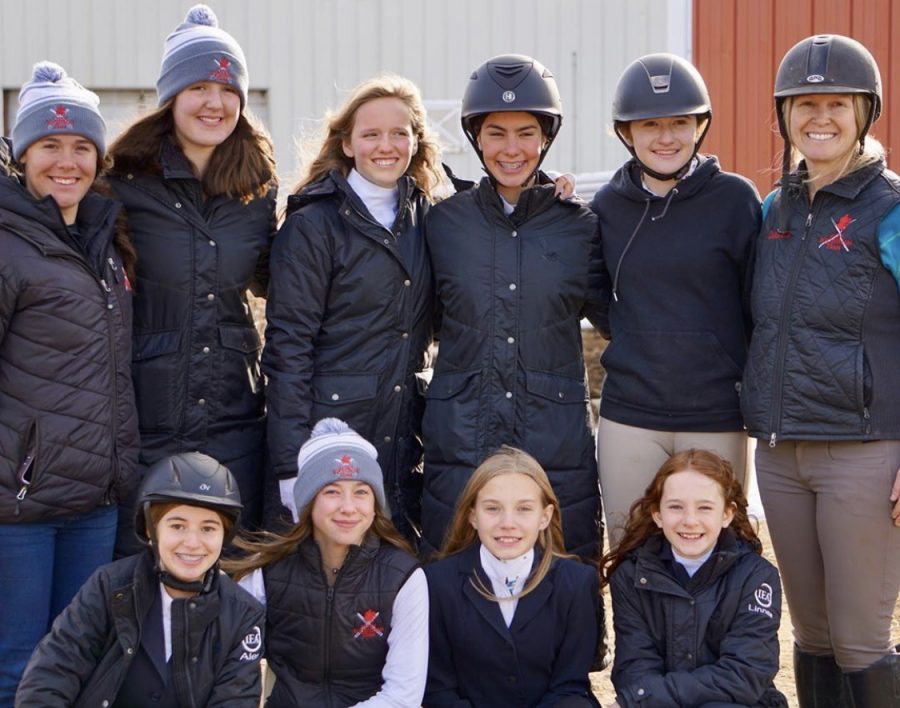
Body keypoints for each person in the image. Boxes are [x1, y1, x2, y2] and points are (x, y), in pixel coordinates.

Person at [742, 34, 900, 707]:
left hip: (864, 453)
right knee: (809, 636)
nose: (820, 118)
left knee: (861, 639)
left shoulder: (891, 209)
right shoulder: (776, 210)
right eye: (804, 105)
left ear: (865, 112)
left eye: (837, 103)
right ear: (785, 116)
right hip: (780, 456)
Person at [422, 54, 604, 560]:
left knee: (563, 576)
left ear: (545, 138)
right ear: (476, 138)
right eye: (496, 133)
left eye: (526, 133)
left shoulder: (579, 227)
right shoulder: (444, 224)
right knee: (454, 580)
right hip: (460, 434)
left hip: (554, 440)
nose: (511, 149)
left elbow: (618, 316)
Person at [108, 4, 277, 549]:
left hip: (234, 418)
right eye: (200, 86)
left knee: (229, 575)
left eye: (229, 89)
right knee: (141, 573)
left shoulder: (259, 191)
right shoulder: (121, 187)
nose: (216, 102)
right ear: (172, 97)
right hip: (146, 419)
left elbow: (284, 283)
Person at [0, 61, 139, 702]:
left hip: (95, 502)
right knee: (18, 667)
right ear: (20, 155)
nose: (67, 161)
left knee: (82, 661)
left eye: (82, 146)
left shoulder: (100, 243)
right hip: (19, 509)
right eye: (49, 145)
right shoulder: (8, 244)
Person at [263, 74, 445, 541]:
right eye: (370, 134)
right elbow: (288, 348)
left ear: (415, 141)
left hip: (404, 436)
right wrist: (290, 466)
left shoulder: (429, 217)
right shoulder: (313, 226)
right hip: (329, 436)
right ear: (347, 144)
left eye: (398, 133)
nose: (386, 146)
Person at [590, 53, 760, 549]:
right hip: (630, 414)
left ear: (699, 127)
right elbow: (597, 296)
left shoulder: (736, 200)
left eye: (679, 123)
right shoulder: (607, 206)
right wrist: (638, 335)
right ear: (626, 132)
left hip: (715, 413)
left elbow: (757, 302)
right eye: (650, 124)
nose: (666, 137)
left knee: (715, 551)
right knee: (631, 551)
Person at [16, 452, 265, 707]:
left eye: (208, 528)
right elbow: (54, 671)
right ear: (150, 529)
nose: (192, 543)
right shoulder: (109, 585)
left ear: (225, 535)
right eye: (177, 526)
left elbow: (236, 699)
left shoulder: (243, 614)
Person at [226, 418, 428, 707]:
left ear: (375, 504)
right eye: (332, 491)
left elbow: (403, 694)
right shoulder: (267, 571)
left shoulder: (403, 577)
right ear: (307, 501)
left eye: (361, 492)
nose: (348, 507)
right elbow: (233, 670)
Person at [601, 449, 786, 708]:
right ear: (657, 514)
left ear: (727, 514)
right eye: (676, 507)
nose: (690, 520)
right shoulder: (632, 576)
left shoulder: (756, 576)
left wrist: (646, 697)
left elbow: (745, 674)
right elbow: (634, 668)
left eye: (705, 508)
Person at [424, 446, 600, 707]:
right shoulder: (436, 583)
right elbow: (437, 688)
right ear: (473, 515)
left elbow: (570, 685)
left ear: (545, 516)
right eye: (492, 508)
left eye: (524, 509)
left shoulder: (576, 583)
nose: (508, 522)